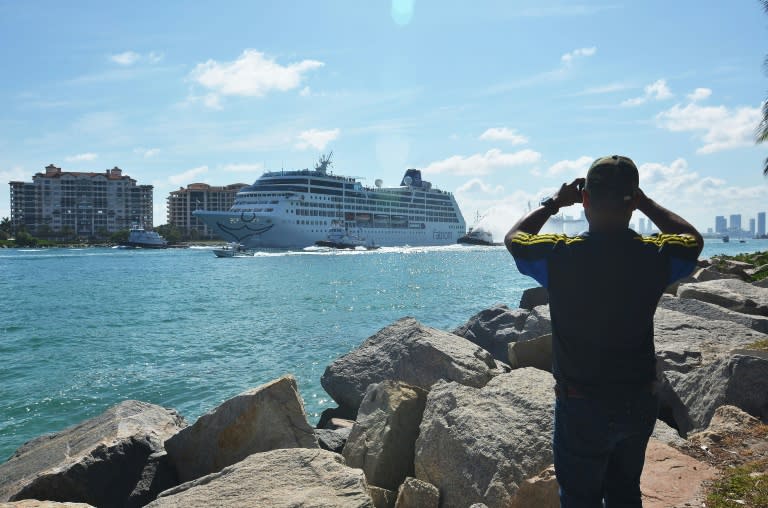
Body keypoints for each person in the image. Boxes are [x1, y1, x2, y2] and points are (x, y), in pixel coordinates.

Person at [504, 155, 703, 507]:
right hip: (638, 400)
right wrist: (647, 203)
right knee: (625, 492)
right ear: (632, 203)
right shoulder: (654, 255)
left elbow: (515, 239)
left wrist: (553, 203)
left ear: (585, 200)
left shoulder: (560, 255)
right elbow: (691, 239)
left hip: (581, 405)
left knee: (580, 499)